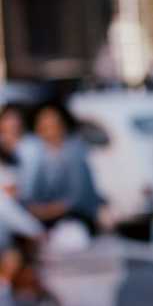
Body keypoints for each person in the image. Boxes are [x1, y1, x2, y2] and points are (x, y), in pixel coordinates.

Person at [22, 102, 103, 238]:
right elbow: (29, 193)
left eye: (53, 124)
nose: (49, 130)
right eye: (44, 126)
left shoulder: (75, 150)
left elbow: (76, 197)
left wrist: (45, 212)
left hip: (76, 216)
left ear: (63, 125)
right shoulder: (36, 153)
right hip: (43, 217)